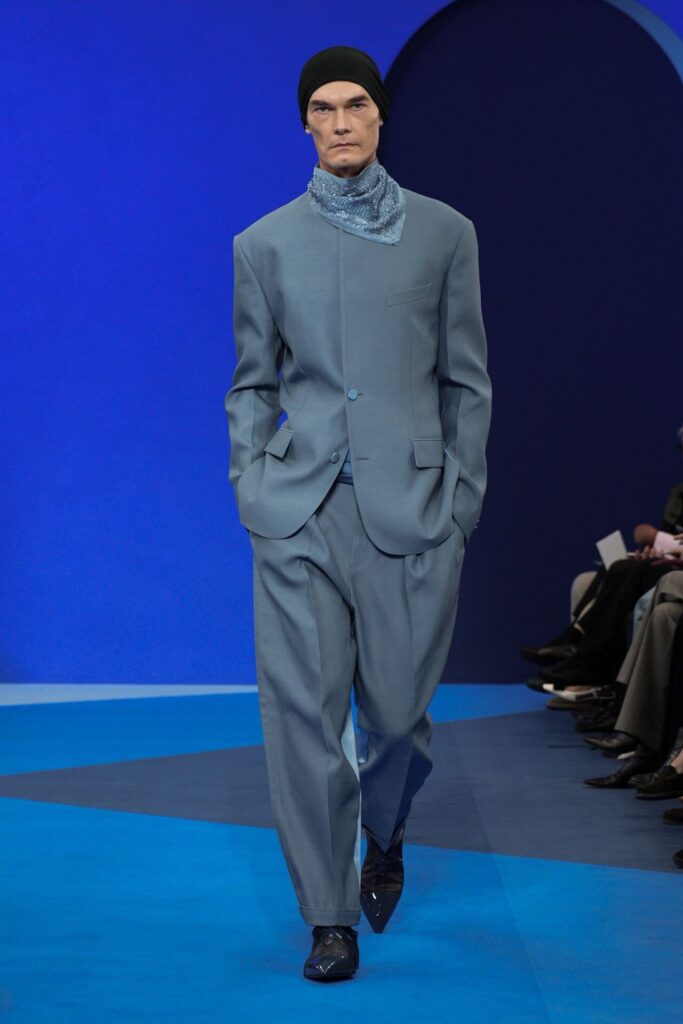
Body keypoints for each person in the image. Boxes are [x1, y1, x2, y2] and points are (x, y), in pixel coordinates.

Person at [224, 45, 491, 982]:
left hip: (411, 511)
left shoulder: (444, 233)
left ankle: (385, 829)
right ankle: (327, 916)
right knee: (301, 717)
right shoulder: (261, 244)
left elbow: (467, 382)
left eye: (355, 105)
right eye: (323, 108)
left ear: (380, 116)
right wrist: (251, 485)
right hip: (297, 512)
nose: (340, 122)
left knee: (397, 718)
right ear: (305, 122)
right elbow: (252, 383)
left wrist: (460, 503)